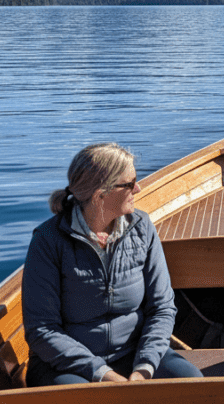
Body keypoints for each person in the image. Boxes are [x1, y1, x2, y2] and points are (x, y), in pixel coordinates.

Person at [22, 143, 202, 385]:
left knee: (194, 384)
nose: (137, 188)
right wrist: (102, 374)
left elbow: (162, 307)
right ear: (100, 195)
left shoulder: (141, 227)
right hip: (66, 365)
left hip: (134, 353)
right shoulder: (48, 241)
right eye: (129, 183)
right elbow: (42, 330)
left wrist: (144, 367)